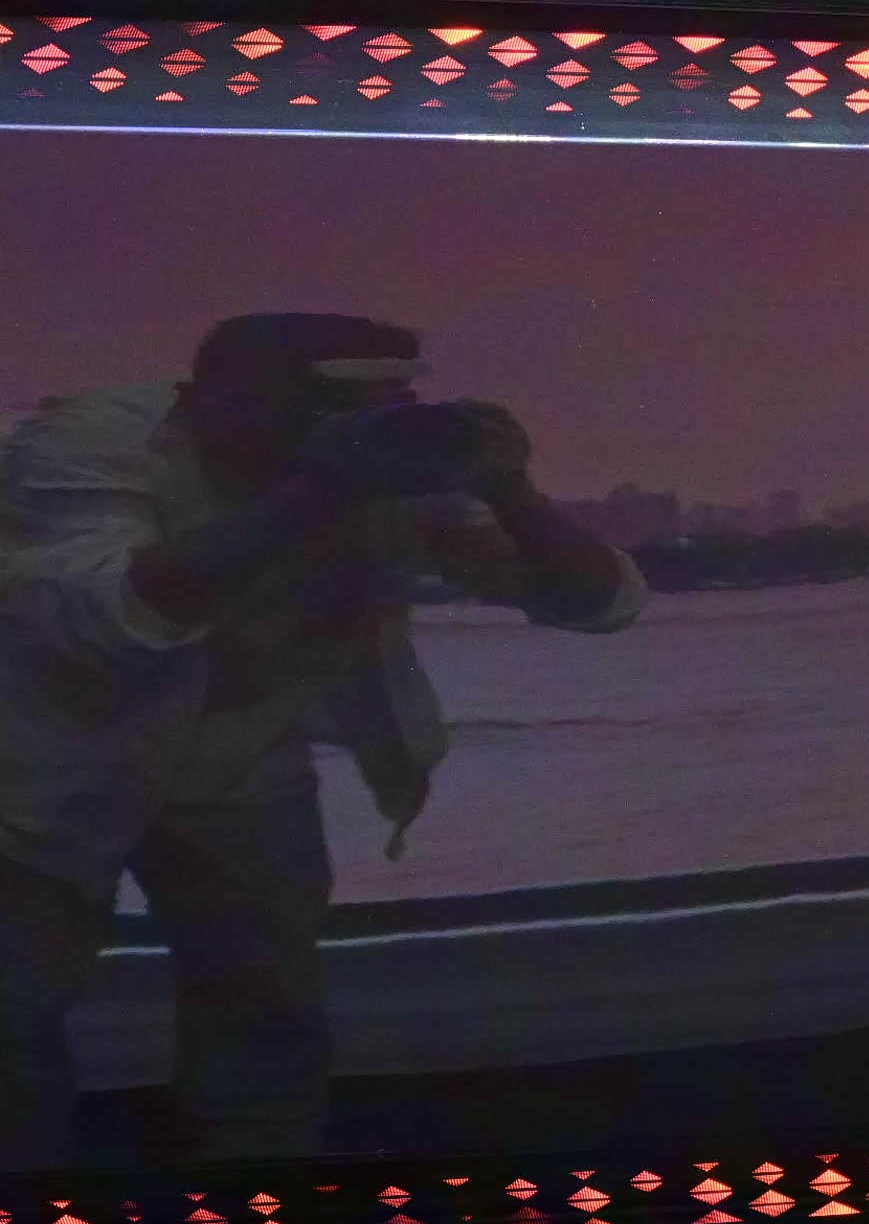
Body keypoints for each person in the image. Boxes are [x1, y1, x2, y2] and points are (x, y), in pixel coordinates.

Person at [0, 314, 644, 1179]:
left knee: (265, 1033)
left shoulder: (396, 472)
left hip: (242, 758)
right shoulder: (89, 447)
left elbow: (596, 604)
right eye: (339, 406)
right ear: (222, 401)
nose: (375, 426)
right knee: (11, 1021)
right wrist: (318, 489)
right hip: (39, 761)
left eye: (395, 403)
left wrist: (511, 492)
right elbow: (106, 617)